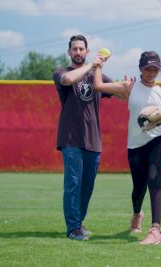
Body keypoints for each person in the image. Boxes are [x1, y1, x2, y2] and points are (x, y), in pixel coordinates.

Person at [93, 51, 161, 245]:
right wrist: (98, 65)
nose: (152, 71)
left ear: (159, 69)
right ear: (141, 69)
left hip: (158, 141)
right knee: (138, 188)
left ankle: (156, 230)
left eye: (155, 68)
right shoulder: (130, 87)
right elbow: (97, 86)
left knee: (154, 181)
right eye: (148, 68)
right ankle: (137, 214)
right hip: (135, 144)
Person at [53, 35, 134, 241]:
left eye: (82, 49)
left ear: (87, 51)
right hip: (71, 137)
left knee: (87, 185)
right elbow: (69, 80)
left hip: (93, 140)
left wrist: (127, 87)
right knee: (73, 183)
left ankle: (78, 223)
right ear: (69, 52)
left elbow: (121, 94)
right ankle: (72, 228)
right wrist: (92, 65)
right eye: (75, 49)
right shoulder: (61, 72)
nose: (78, 52)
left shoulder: (98, 76)